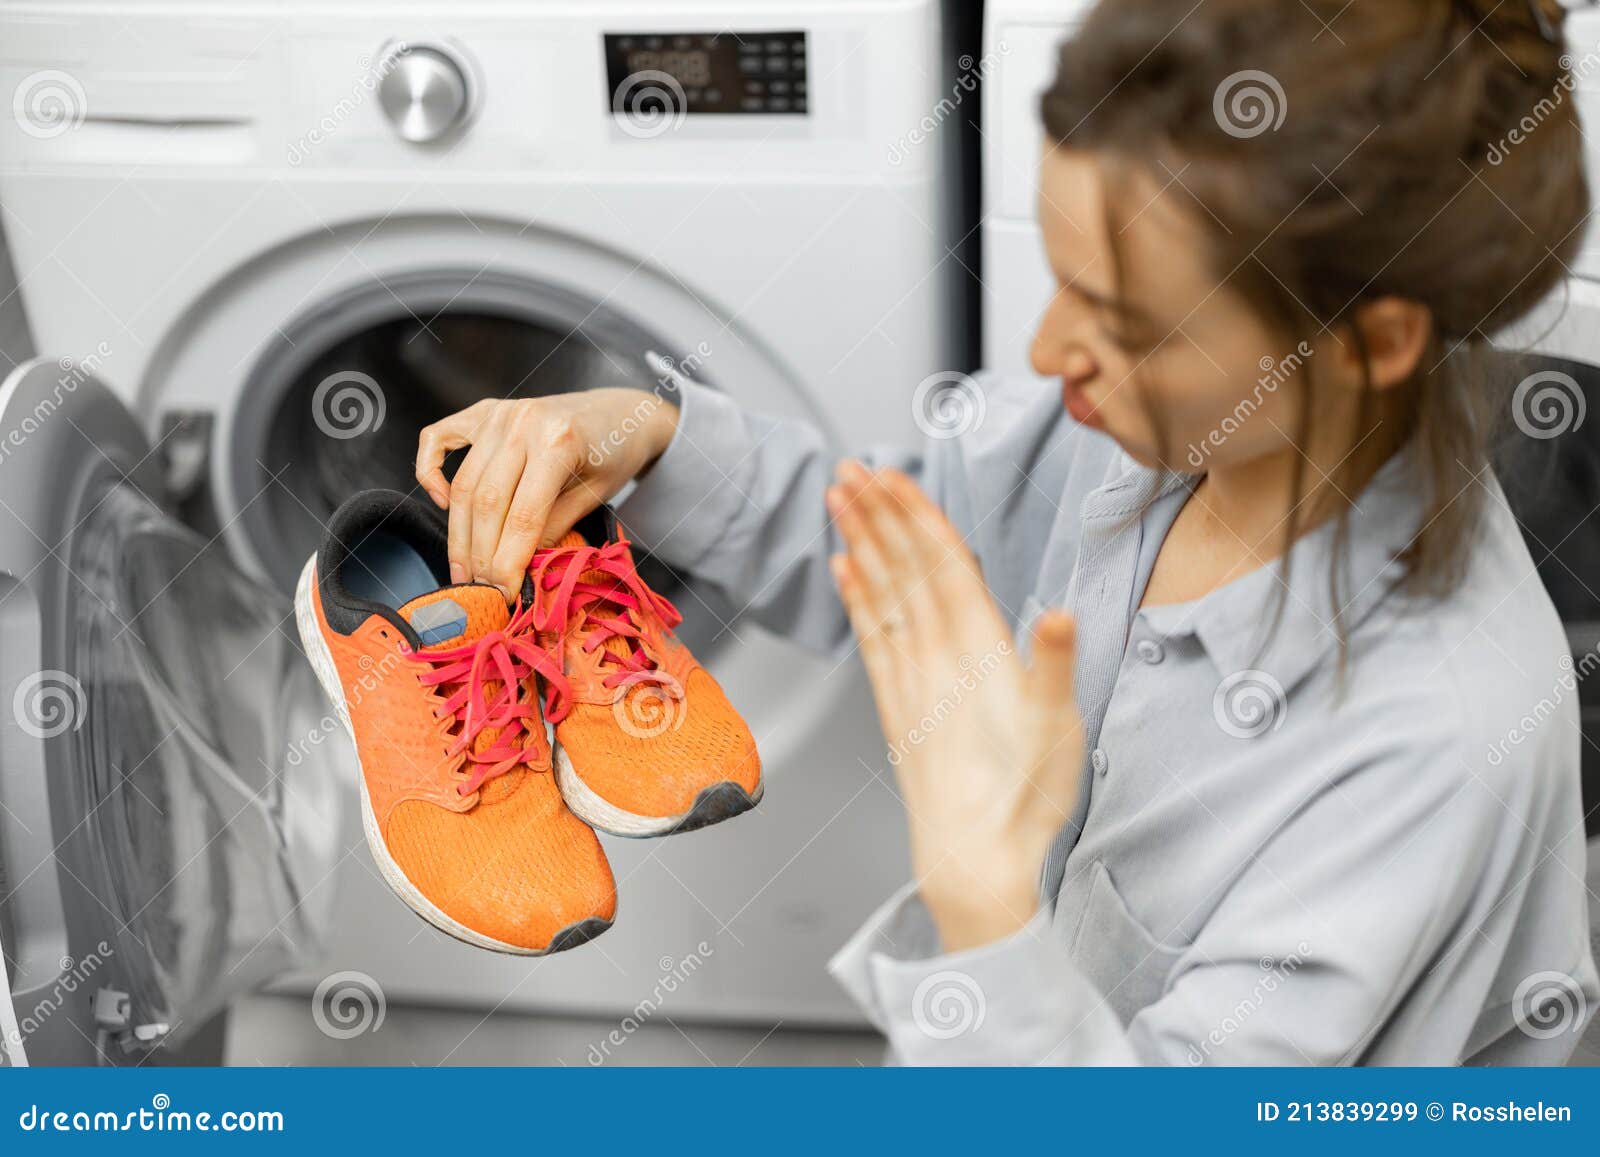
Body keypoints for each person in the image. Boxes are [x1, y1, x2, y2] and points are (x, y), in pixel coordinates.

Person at [413, 0, 1599, 1063]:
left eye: (1125, 321)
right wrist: (648, 431)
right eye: (1063, 281)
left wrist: (983, 900)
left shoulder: (1425, 751)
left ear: (1368, 340)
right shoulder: (1156, 435)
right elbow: (896, 544)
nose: (1044, 355)